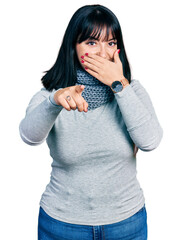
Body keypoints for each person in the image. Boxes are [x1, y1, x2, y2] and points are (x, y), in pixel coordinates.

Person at [19, 4, 163, 240]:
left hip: (126, 223)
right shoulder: (52, 96)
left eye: (111, 42)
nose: (102, 53)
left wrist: (119, 85)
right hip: (62, 225)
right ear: (73, 47)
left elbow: (150, 141)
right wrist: (55, 101)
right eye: (91, 42)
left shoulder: (131, 91)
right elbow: (29, 136)